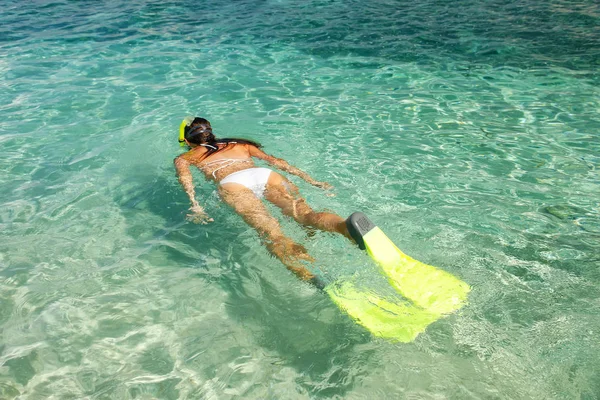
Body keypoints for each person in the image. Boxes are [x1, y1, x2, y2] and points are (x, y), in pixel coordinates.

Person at [174, 117, 352, 285]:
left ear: (188, 141)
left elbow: (186, 180)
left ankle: (312, 275)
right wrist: (313, 181)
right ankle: (345, 226)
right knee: (306, 215)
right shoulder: (239, 144)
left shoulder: (186, 157)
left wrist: (195, 204)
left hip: (233, 183)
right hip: (264, 174)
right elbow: (276, 162)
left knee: (272, 234)